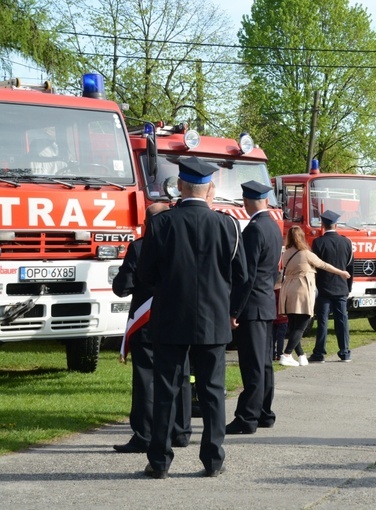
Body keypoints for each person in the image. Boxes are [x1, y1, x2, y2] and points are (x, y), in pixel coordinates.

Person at [138, 156, 247, 479]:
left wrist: (168, 287)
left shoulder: (161, 224)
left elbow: (145, 275)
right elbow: (242, 276)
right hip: (214, 319)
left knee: (166, 391)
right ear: (209, 188)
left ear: (181, 186)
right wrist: (232, 312)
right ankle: (213, 459)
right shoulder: (227, 225)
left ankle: (159, 460)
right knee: (213, 392)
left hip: (171, 318)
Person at [111, 203, 191, 454]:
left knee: (146, 379)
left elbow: (122, 286)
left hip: (147, 322)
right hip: (179, 319)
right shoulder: (183, 244)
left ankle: (145, 433)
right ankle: (180, 430)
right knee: (181, 374)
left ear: (147, 223)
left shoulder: (139, 247)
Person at [226, 181, 284, 435]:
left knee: (252, 364)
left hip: (251, 306)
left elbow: (246, 276)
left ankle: (247, 417)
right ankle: (264, 412)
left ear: (247, 201)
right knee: (264, 364)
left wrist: (235, 309)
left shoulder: (253, 230)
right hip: (266, 303)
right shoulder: (272, 226)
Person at [280, 225, 351, 366]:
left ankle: (301, 355)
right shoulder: (306, 253)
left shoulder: (287, 252)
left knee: (294, 325)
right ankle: (287, 354)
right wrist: (341, 272)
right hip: (301, 290)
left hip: (288, 290)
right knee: (302, 324)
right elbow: (324, 265)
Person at [309, 210, 355, 363]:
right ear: (336, 224)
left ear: (322, 224)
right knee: (342, 320)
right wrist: (349, 287)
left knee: (322, 321)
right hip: (341, 287)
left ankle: (319, 353)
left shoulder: (318, 242)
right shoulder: (346, 242)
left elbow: (315, 267)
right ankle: (345, 351)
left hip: (323, 287)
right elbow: (350, 267)